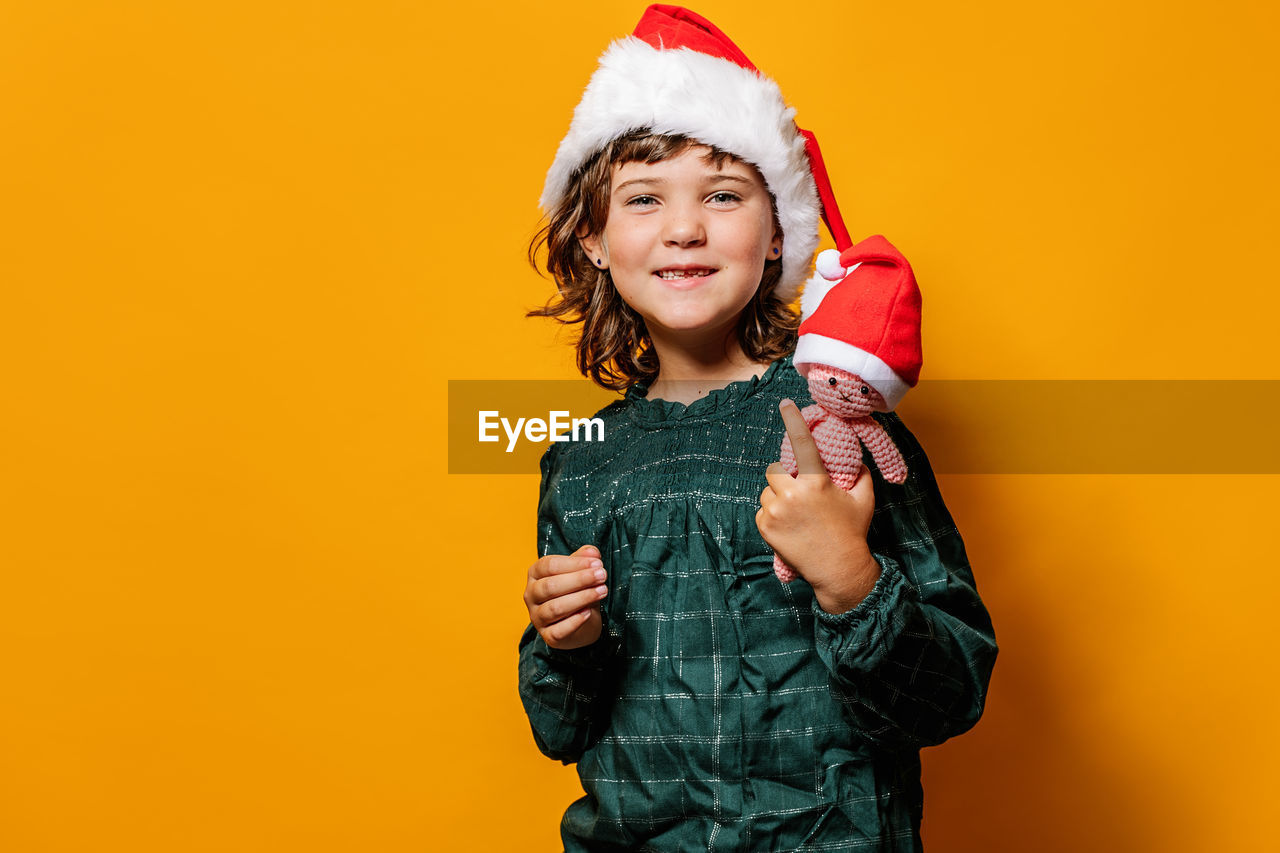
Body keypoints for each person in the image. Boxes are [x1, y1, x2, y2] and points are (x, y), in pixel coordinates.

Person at [518, 6, 997, 850]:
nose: (685, 227)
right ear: (593, 239)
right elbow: (559, 729)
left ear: (777, 231)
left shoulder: (837, 422)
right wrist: (572, 639)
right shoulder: (581, 459)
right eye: (643, 198)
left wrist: (851, 577)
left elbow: (950, 692)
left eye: (723, 194)